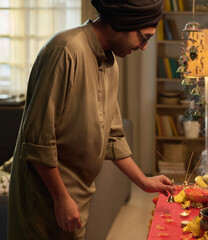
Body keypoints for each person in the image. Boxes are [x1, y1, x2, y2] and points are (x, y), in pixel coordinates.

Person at [8, 0, 173, 239]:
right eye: (143, 37)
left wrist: (144, 182)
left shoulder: (110, 63)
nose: (144, 47)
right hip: (44, 197)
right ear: (124, 22)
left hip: (77, 196)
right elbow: (38, 141)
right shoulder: (65, 50)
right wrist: (61, 198)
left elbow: (114, 137)